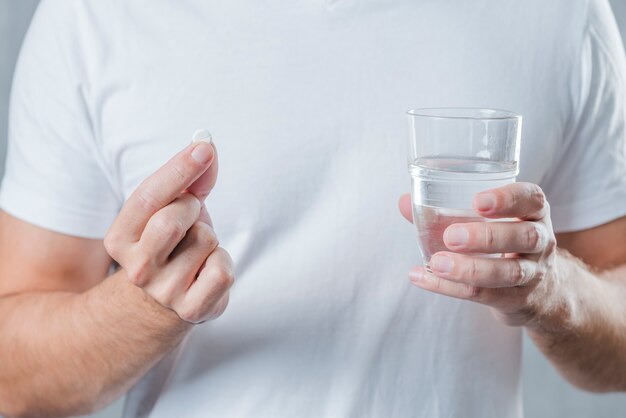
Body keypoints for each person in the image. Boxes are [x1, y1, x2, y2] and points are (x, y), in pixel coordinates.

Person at [0, 0, 625, 417]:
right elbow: (13, 378)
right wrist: (143, 309)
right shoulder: (95, 16)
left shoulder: (561, 13)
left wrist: (553, 290)